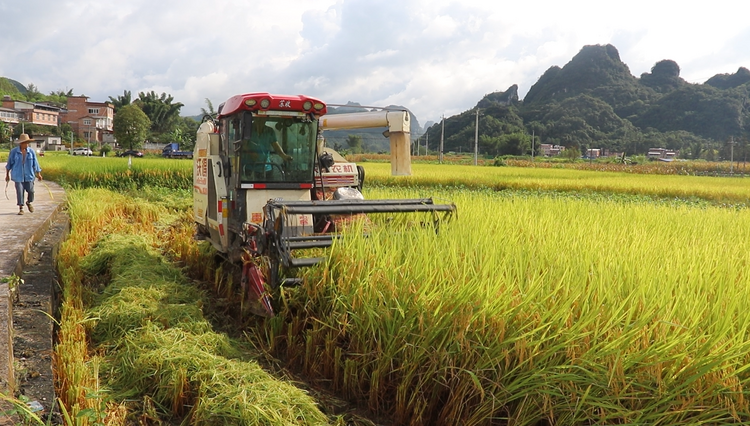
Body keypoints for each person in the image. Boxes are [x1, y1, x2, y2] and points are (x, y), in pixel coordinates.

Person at [5, 133, 43, 215]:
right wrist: (7, 174)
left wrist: (38, 174)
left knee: (31, 191)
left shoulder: (31, 152)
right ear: (21, 143)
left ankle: (29, 202)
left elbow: (35, 163)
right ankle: (21, 208)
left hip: (29, 176)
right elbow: (9, 164)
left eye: (27, 142)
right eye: (25, 142)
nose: (26, 144)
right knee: (19, 191)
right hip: (18, 176)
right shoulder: (14, 152)